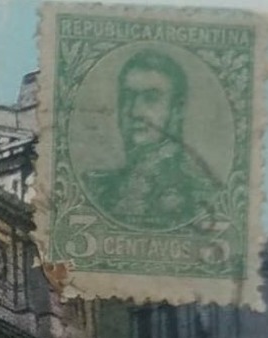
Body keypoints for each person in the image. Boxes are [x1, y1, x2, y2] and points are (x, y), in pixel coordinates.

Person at [82, 48, 221, 230]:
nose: (134, 111)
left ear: (177, 109)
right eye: (127, 97)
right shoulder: (97, 188)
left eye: (151, 98)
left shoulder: (198, 193)